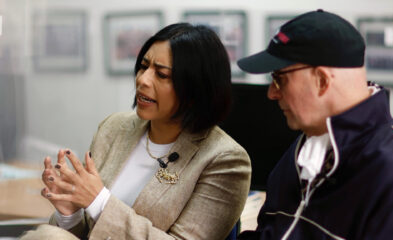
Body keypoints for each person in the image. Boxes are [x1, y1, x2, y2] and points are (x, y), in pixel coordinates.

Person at [21, 23, 251, 240]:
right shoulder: (113, 128)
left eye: (161, 75)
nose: (142, 79)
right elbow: (88, 233)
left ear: (196, 90)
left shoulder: (226, 160)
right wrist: (69, 214)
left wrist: (98, 201)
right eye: (143, 66)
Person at [236, 9, 393, 240]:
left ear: (322, 81)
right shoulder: (303, 148)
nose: (272, 93)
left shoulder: (389, 170)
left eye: (279, 79)